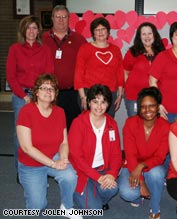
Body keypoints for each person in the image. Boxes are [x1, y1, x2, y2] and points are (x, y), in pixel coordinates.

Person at [16, 74, 81, 219]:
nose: (48, 91)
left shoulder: (60, 112)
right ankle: (34, 184)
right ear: (36, 92)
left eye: (52, 88)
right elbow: (27, 148)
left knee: (70, 176)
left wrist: (63, 158)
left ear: (55, 94)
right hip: (31, 163)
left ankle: (67, 206)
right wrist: (53, 164)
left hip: (53, 155)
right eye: (44, 87)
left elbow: (64, 142)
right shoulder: (26, 111)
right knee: (37, 207)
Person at [6, 15, 54, 179]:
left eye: (34, 28)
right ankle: (22, 171)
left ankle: (40, 169)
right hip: (21, 96)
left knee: (40, 133)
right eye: (28, 28)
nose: (31, 31)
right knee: (21, 134)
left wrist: (40, 96)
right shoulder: (15, 49)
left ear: (38, 31)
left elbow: (49, 74)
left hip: (41, 96)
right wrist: (23, 96)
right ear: (23, 30)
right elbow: (11, 76)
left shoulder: (45, 49)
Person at [68, 84, 123, 210]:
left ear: (108, 104)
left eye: (103, 102)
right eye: (95, 101)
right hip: (82, 172)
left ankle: (94, 196)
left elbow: (116, 154)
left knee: (113, 188)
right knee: (95, 211)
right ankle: (77, 192)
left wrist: (112, 174)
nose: (99, 106)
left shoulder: (111, 124)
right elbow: (77, 158)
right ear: (88, 102)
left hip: (103, 170)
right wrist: (98, 177)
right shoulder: (78, 123)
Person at [119, 87, 170, 219]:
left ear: (158, 107)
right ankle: (138, 195)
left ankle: (154, 207)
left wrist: (141, 166)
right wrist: (141, 182)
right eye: (143, 106)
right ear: (139, 108)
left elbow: (160, 156)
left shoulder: (166, 126)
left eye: (152, 106)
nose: (147, 110)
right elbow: (130, 155)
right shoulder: (130, 123)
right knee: (127, 193)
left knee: (157, 174)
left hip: (152, 166)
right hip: (131, 165)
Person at [42, 5, 87, 129]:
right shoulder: (42, 39)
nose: (61, 20)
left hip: (72, 93)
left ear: (69, 19)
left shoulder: (79, 39)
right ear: (52, 18)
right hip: (48, 93)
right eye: (58, 17)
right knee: (50, 127)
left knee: (72, 127)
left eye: (64, 17)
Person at [74, 17, 124, 118]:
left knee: (107, 122)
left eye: (103, 29)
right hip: (89, 92)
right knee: (88, 124)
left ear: (108, 31)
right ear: (93, 33)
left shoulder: (115, 50)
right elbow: (78, 73)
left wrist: (119, 94)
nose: (100, 32)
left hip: (110, 93)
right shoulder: (85, 48)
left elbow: (120, 72)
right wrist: (83, 96)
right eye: (97, 29)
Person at [124, 22, 165, 117]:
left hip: (155, 97)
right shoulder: (132, 53)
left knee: (152, 126)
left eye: (149, 33)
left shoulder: (162, 54)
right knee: (135, 125)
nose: (147, 37)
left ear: (154, 35)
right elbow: (125, 72)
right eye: (143, 34)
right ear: (139, 37)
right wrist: (127, 89)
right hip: (134, 97)